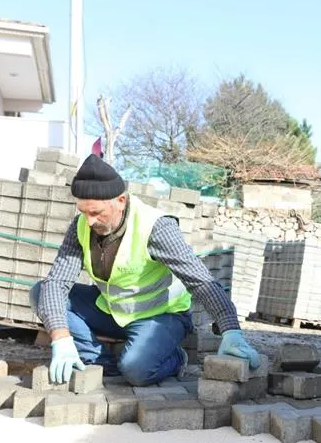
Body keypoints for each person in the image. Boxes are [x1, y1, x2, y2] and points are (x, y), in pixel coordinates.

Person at [30, 154, 261, 387]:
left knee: (136, 370)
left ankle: (175, 358)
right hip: (113, 310)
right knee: (41, 293)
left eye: (97, 213)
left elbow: (200, 280)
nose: (89, 221)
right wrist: (60, 337)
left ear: (120, 200)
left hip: (160, 316)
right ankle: (99, 362)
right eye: (84, 212)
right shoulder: (81, 227)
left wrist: (230, 328)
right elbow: (57, 282)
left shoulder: (155, 227)